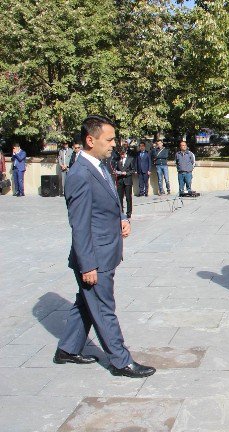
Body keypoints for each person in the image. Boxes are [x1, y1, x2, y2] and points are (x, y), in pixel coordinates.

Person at [55, 115, 155, 378]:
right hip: (94, 257)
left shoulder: (99, 165)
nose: (114, 144)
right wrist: (87, 265)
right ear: (91, 140)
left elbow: (109, 200)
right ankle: (121, 361)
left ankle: (67, 348)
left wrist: (121, 218)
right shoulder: (79, 173)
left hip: (106, 249)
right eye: (109, 139)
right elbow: (79, 225)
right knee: (103, 306)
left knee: (88, 301)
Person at [114, 145, 136, 219]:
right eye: (120, 154)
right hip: (120, 180)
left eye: (123, 154)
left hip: (127, 180)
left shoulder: (130, 159)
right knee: (120, 197)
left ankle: (129, 213)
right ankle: (121, 212)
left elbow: (133, 170)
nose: (122, 155)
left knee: (128, 198)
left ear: (125, 152)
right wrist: (117, 172)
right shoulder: (118, 159)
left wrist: (127, 173)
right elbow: (115, 168)